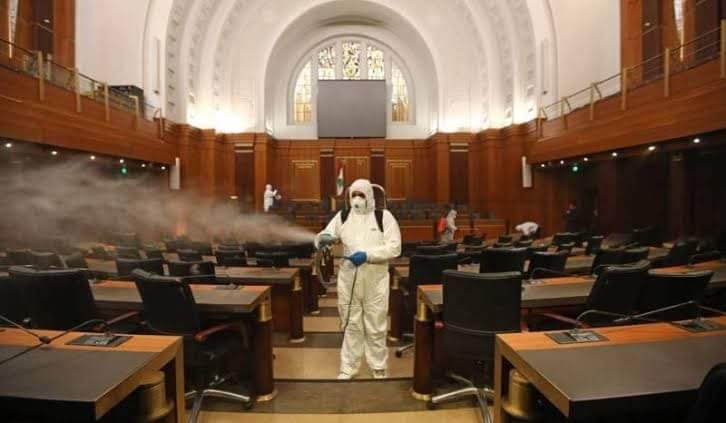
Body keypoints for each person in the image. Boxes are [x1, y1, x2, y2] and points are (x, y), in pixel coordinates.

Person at [315, 179, 401, 380]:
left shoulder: (383, 217)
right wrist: (322, 239)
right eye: (353, 195)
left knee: (376, 324)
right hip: (349, 279)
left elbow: (395, 247)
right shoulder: (343, 216)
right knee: (350, 324)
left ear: (369, 196)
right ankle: (349, 367)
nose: (357, 199)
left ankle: (378, 367)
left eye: (361, 195)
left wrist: (368, 255)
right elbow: (325, 234)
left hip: (375, 280)